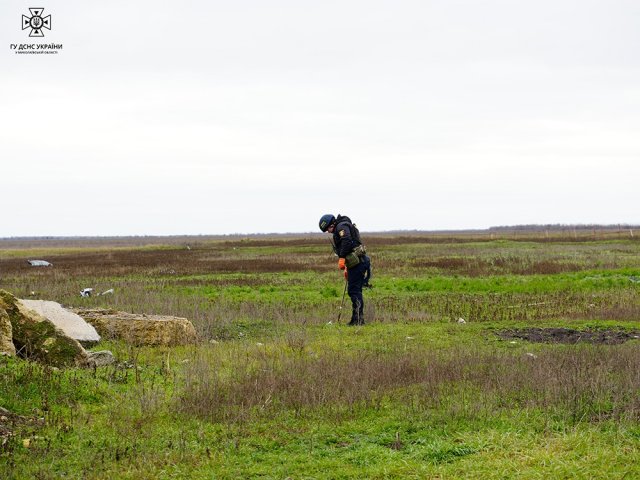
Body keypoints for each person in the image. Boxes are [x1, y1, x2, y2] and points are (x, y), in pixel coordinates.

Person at [319, 214, 371, 325]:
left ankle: (358, 320)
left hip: (358, 263)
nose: (328, 232)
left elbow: (346, 241)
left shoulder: (341, 226)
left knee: (354, 291)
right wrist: (347, 267)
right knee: (355, 291)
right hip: (355, 263)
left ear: (332, 223)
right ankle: (356, 319)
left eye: (328, 229)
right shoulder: (342, 225)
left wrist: (342, 258)